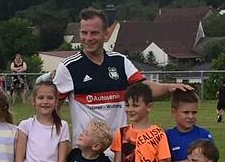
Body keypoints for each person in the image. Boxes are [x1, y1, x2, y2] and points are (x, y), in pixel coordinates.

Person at [53, 8, 193, 143]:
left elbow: (143, 90)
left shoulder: (120, 62)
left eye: (94, 33)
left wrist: (169, 88)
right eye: (84, 33)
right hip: (88, 155)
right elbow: (53, 108)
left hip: (120, 151)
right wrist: (59, 141)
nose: (88, 38)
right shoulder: (69, 67)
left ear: (106, 34)